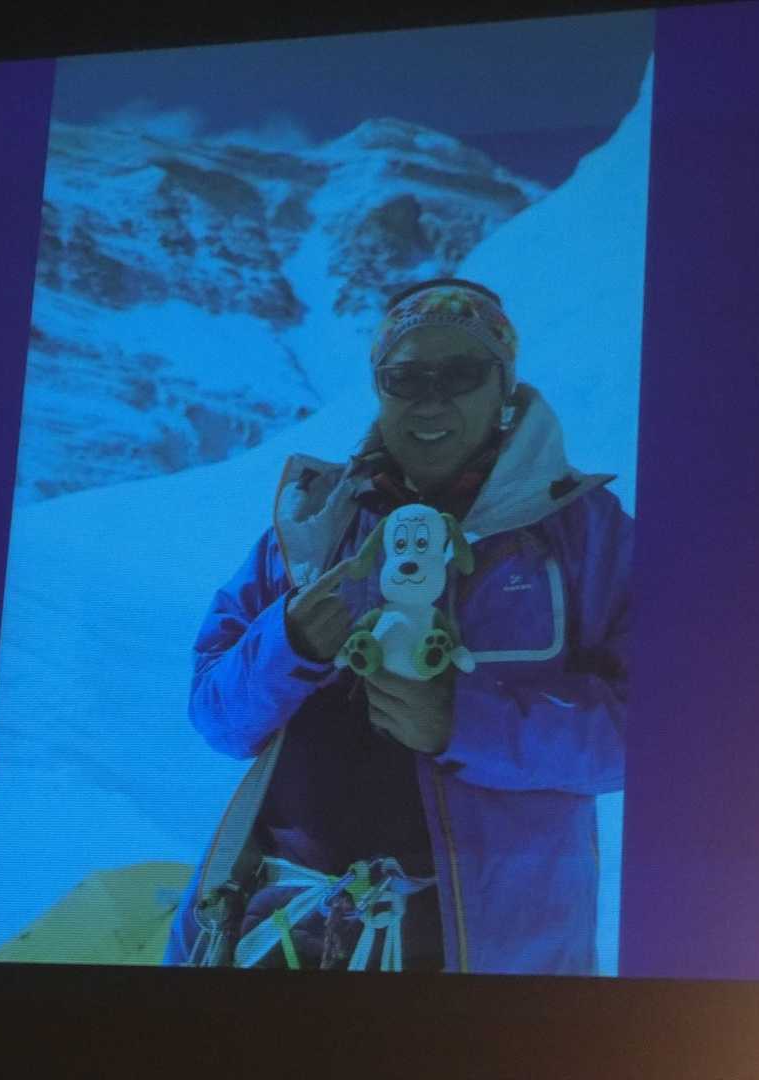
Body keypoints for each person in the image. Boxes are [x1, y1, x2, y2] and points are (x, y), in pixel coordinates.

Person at [163, 278, 633, 974]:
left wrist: (461, 722)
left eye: (462, 373)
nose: (430, 400)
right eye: (405, 377)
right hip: (280, 923)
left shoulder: (586, 535)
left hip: (487, 954)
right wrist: (289, 642)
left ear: (504, 387)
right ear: (380, 389)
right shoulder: (314, 525)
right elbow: (216, 716)